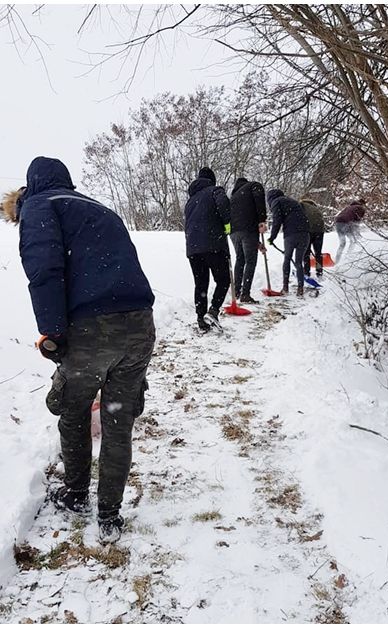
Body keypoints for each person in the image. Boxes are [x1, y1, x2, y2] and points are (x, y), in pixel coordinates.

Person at [11, 156, 156, 545]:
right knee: (118, 420)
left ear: (32, 185)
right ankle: (109, 515)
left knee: (72, 410)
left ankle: (76, 495)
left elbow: (44, 271)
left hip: (92, 329)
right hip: (139, 323)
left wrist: (53, 332)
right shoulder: (100, 208)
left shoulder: (42, 206)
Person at [184, 167, 232, 332]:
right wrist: (227, 224)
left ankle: (201, 320)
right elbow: (224, 204)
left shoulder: (190, 201)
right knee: (223, 279)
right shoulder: (215, 190)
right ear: (212, 180)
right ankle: (213, 310)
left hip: (193, 248)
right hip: (213, 244)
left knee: (201, 284)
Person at [228, 177, 268, 303]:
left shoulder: (233, 198)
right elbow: (259, 200)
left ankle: (237, 291)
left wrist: (258, 244)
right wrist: (262, 220)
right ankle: (245, 294)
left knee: (240, 259)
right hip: (249, 230)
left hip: (233, 232)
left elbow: (241, 223)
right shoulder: (254, 186)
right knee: (250, 261)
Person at [267, 188, 310, 297]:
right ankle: (300, 288)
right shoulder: (294, 202)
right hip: (305, 234)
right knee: (299, 262)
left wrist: (272, 237)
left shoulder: (276, 202)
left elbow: (277, 221)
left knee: (287, 259)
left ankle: (285, 288)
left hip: (291, 234)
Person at [301, 198, 327, 279]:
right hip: (319, 231)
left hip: (308, 231)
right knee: (318, 253)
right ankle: (319, 272)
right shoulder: (315, 208)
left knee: (306, 253)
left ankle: (306, 272)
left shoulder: (301, 205)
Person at [334, 198, 366, 263]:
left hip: (338, 223)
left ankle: (337, 261)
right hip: (345, 223)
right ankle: (348, 260)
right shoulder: (360, 208)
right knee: (353, 241)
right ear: (363, 204)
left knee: (342, 243)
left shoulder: (349, 207)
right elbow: (357, 221)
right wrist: (357, 233)